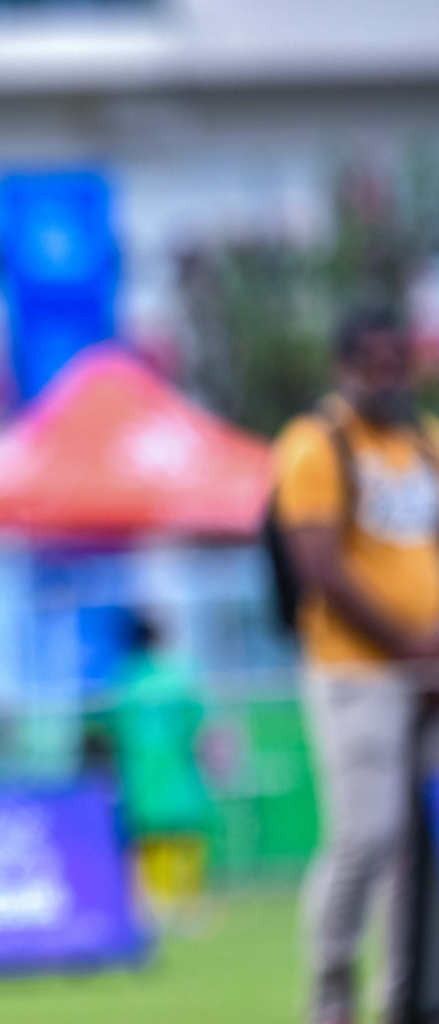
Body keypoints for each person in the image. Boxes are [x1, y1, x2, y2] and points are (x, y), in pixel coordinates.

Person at [274, 307, 439, 1024]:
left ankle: (408, 999)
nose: (389, 375)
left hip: (428, 672)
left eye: (396, 360)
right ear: (344, 366)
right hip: (357, 673)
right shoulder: (317, 443)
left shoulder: (424, 442)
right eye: (373, 362)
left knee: (419, 850)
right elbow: (320, 567)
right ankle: (331, 996)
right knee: (366, 837)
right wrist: (408, 641)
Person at [102, 613, 212, 929]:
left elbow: (112, 731)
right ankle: (191, 903)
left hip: (140, 772)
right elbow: (201, 725)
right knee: (188, 832)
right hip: (180, 767)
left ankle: (158, 903)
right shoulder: (181, 675)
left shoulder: (122, 681)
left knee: (151, 835)